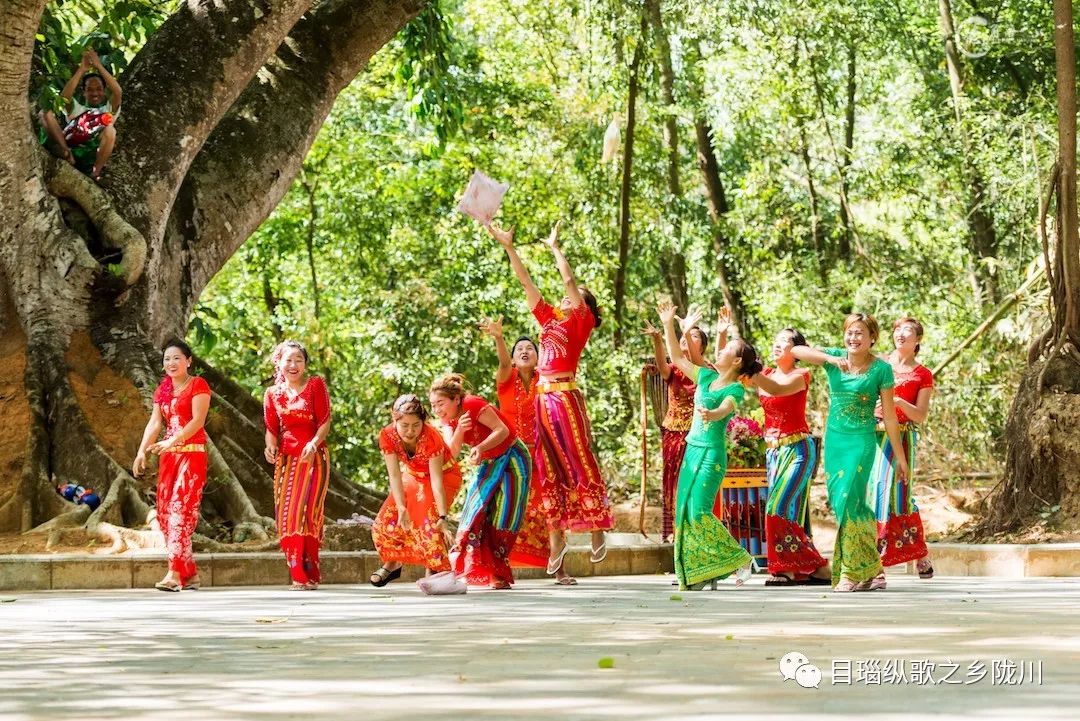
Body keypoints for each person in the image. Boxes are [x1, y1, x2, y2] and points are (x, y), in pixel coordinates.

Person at [487, 221, 612, 580]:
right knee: (547, 469)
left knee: (578, 458)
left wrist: (556, 248)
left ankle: (596, 526)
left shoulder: (580, 323)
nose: (564, 298)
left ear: (584, 306)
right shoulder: (549, 322)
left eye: (574, 297)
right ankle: (557, 539)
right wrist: (509, 247)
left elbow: (570, 284)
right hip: (543, 400)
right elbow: (527, 283)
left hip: (564, 396)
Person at [792, 313, 909, 592]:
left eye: (860, 333)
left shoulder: (881, 369)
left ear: (872, 339)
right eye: (850, 332)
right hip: (835, 441)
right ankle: (871, 570)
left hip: (862, 442)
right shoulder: (834, 358)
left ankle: (849, 573)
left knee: (849, 500)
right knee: (844, 502)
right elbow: (795, 350)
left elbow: (890, 417)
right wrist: (830, 359)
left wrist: (900, 457)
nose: (853, 338)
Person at [657, 300, 755, 591]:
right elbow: (676, 356)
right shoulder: (707, 376)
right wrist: (668, 324)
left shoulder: (734, 387)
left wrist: (714, 414)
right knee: (684, 511)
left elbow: (728, 406)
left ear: (736, 361)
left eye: (726, 349)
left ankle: (740, 559)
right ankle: (701, 572)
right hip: (692, 449)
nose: (720, 351)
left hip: (711, 455)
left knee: (699, 511)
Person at [741, 321, 831, 586]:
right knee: (784, 514)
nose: (777, 344)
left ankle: (811, 565)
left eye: (785, 341)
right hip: (773, 454)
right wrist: (724, 337)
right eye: (775, 340)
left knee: (776, 508)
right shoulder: (766, 372)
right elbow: (730, 372)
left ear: (798, 350)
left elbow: (776, 390)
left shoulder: (801, 375)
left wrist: (753, 371)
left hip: (798, 450)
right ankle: (795, 569)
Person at [429, 374, 531, 589]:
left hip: (514, 457)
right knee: (475, 512)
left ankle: (498, 574)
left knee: (505, 516)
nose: (437, 409)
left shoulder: (473, 404)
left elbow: (502, 430)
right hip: (488, 463)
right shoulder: (447, 420)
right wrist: (459, 430)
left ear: (456, 399)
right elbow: (453, 452)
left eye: (441, 403)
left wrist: (479, 447)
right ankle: (466, 569)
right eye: (433, 405)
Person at [479, 317, 558, 581]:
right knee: (503, 510)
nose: (525, 351)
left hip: (539, 456)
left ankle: (559, 569)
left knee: (548, 510)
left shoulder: (545, 381)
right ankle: (498, 573)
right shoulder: (506, 377)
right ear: (513, 359)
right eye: (519, 349)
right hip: (508, 455)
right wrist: (499, 337)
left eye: (530, 348)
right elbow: (501, 362)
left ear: (538, 358)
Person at [132, 339, 210, 592]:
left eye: (177, 358)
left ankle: (174, 575)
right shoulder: (163, 389)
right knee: (165, 516)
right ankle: (191, 574)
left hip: (192, 456)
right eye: (167, 358)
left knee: (180, 512)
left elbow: (198, 421)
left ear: (188, 361)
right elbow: (155, 423)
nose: (171, 363)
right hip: (169, 458)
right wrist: (141, 451)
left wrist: (172, 441)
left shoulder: (198, 385)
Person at [370, 394, 462, 587]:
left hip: (444, 476)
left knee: (427, 516)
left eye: (416, 425)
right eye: (404, 425)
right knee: (388, 517)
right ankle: (393, 564)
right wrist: (402, 507)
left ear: (423, 422)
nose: (410, 431)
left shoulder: (431, 437)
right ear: (395, 421)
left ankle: (436, 570)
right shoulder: (387, 435)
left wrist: (443, 517)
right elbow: (395, 475)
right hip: (412, 476)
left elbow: (436, 481)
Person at [263, 341, 331, 590]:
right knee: (288, 514)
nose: (293, 365)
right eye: (288, 360)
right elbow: (271, 428)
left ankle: (311, 569)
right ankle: (297, 573)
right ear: (279, 363)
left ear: (305, 364)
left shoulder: (315, 385)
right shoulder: (272, 393)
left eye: (298, 360)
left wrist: (313, 443)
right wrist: (269, 446)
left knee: (309, 513)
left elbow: (324, 421)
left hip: (314, 458)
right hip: (287, 460)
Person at [870, 317, 935, 578]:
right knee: (875, 494)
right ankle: (895, 558)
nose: (900, 334)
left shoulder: (922, 374)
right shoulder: (880, 364)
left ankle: (897, 557)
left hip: (902, 437)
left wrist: (897, 400)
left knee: (899, 495)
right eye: (897, 329)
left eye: (907, 331)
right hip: (872, 436)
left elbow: (920, 415)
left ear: (917, 340)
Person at [643, 317, 709, 543]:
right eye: (684, 335)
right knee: (672, 481)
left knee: (694, 480)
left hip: (698, 435)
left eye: (694, 335)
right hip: (673, 432)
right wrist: (658, 340)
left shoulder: (706, 370)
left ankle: (694, 529)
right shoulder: (673, 369)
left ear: (702, 346)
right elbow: (662, 366)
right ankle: (673, 532)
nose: (687, 337)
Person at [39, 48, 122, 180]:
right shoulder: (77, 109)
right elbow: (64, 98)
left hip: (89, 158)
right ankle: (66, 152)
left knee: (110, 130)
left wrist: (98, 66)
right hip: (69, 148)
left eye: (99, 89)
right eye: (89, 89)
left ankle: (95, 173)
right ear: (83, 92)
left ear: (105, 91)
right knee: (45, 112)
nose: (95, 93)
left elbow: (118, 92)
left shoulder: (108, 109)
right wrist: (82, 69)